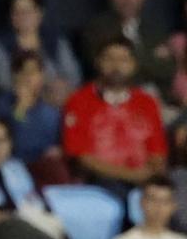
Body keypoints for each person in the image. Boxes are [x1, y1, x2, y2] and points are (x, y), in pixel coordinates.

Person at [63, 39, 167, 196]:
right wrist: (131, 175)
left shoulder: (147, 102)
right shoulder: (79, 100)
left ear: (133, 65)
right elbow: (81, 158)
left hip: (144, 180)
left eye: (123, 60)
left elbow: (157, 152)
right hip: (98, 181)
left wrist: (153, 174)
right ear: (98, 62)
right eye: (109, 59)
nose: (116, 66)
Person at [81, 0, 175, 97]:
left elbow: (168, 69)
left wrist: (127, 61)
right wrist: (151, 59)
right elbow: (105, 70)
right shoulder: (97, 30)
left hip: (156, 97)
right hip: (113, 97)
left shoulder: (156, 30)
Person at [0, 0, 79, 103]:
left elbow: (74, 76)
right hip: (20, 104)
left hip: (62, 100)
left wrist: (61, 89)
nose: (23, 16)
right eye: (17, 11)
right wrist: (44, 96)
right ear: (10, 16)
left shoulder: (56, 41)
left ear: (40, 13)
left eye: (29, 11)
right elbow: (5, 85)